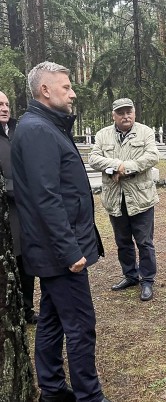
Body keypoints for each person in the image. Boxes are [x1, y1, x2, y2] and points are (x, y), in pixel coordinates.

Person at [11, 62, 110, 402]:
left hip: (55, 248)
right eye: (66, 87)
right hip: (60, 252)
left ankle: (52, 389)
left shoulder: (46, 126)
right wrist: (71, 252)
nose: (73, 93)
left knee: (52, 319)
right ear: (45, 91)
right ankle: (89, 396)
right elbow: (46, 198)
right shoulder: (38, 129)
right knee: (81, 326)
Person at [89, 98, 159, 302]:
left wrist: (126, 168)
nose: (125, 116)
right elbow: (94, 159)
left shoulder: (145, 132)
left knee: (145, 242)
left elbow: (152, 156)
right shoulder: (103, 135)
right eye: (121, 113)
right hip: (115, 198)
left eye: (129, 112)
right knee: (123, 242)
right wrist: (116, 165)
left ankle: (147, 280)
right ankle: (130, 275)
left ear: (134, 113)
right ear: (114, 115)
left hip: (141, 198)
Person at [0, 91, 38, 324]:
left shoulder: (16, 132)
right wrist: (19, 187)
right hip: (6, 211)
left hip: (25, 211)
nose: (5, 108)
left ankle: (26, 309)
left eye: (6, 104)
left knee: (26, 261)